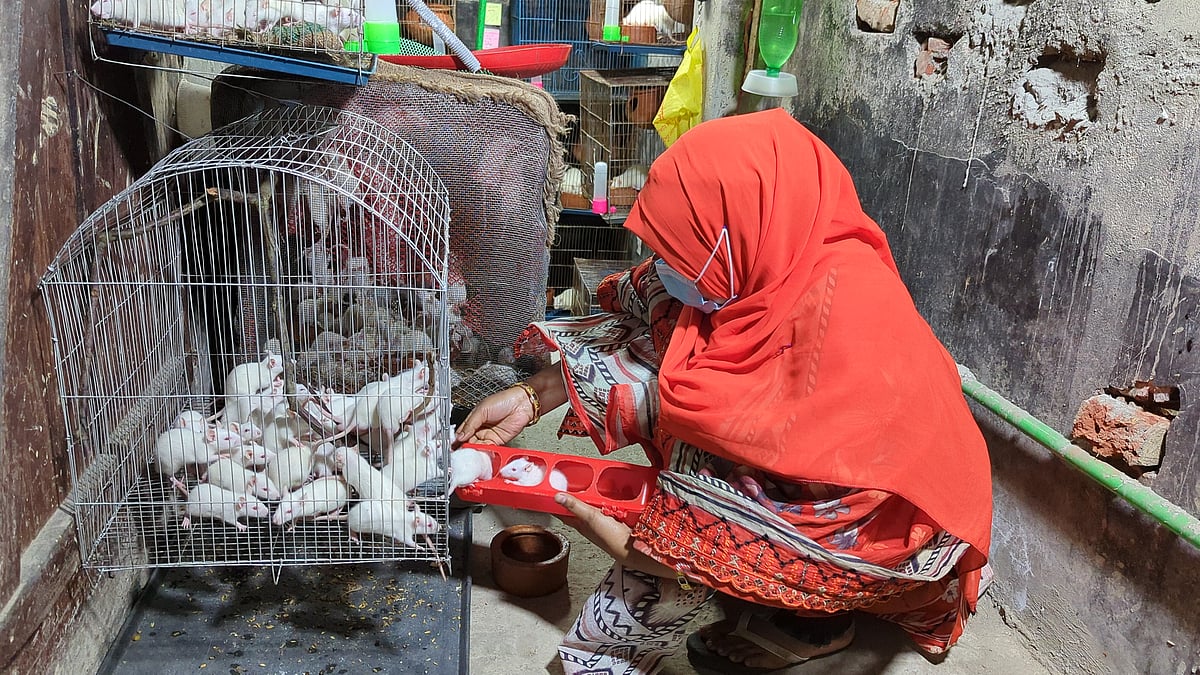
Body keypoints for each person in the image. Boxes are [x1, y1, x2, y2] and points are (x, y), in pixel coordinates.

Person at [455, 108, 993, 675]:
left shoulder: (847, 321)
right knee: (672, 346)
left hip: (877, 522)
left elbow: (836, 515)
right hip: (803, 458)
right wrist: (536, 394)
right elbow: (643, 316)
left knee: (681, 527)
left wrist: (663, 551)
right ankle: (727, 582)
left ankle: (817, 625)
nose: (661, 267)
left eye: (679, 251)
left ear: (740, 230)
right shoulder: (757, 257)